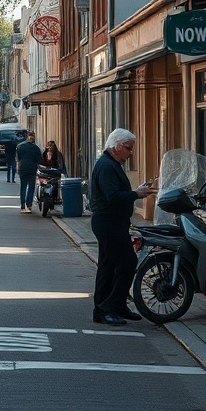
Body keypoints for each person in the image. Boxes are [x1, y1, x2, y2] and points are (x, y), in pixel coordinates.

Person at [89, 128, 157, 325]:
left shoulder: (110, 164)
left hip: (112, 222)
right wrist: (137, 193)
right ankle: (110, 306)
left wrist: (136, 192)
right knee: (127, 263)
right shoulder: (107, 166)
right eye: (128, 148)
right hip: (108, 222)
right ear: (117, 147)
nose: (130, 152)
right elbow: (112, 197)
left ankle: (108, 308)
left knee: (108, 266)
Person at [16, 130, 42, 213]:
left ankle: (22, 205)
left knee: (23, 187)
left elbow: (18, 159)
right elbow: (39, 160)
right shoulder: (36, 148)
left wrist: (18, 168)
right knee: (31, 187)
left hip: (23, 168)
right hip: (32, 169)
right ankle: (29, 204)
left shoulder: (20, 146)